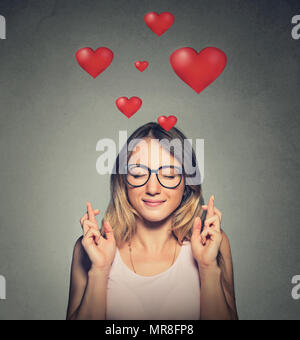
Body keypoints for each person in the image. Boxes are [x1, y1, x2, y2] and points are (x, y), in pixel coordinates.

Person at [66, 122, 238, 320]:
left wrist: (208, 268)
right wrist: (99, 270)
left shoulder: (213, 243)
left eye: (169, 174)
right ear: (122, 180)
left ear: (187, 182)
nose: (153, 189)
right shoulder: (90, 248)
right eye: (138, 174)